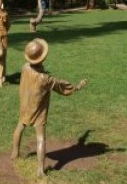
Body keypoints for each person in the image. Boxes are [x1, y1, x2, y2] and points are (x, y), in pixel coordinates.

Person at [11, 38, 87, 177]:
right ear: (42, 58)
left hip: (25, 105)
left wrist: (85, 136)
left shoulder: (25, 67)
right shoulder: (45, 79)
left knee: (20, 126)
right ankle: (40, 170)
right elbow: (62, 87)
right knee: (40, 138)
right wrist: (76, 87)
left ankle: (14, 153)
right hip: (37, 110)